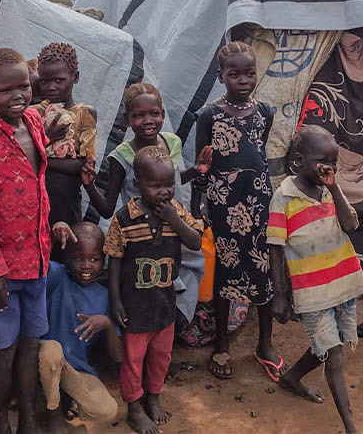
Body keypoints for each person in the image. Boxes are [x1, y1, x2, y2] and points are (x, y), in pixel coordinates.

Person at [0, 48, 75, 434]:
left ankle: (27, 415)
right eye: (5, 90)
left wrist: (54, 134)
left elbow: (36, 174)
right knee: (5, 347)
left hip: (38, 258)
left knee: (31, 342)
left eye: (23, 87)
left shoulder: (33, 120)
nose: (17, 96)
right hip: (4, 270)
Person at [267, 127, 363, 434]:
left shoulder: (329, 191)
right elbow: (275, 249)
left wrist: (335, 188)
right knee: (334, 356)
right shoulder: (282, 198)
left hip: (341, 284)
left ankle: (290, 378)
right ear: (298, 162)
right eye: (321, 160)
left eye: (333, 161)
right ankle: (351, 426)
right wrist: (280, 295)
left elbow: (351, 225)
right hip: (311, 291)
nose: (329, 167)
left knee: (328, 343)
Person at [191, 41, 281, 381]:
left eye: (249, 73)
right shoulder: (209, 115)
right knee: (225, 276)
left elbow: (258, 152)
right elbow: (202, 166)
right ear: (221, 76)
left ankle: (265, 344)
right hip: (224, 206)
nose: (243, 80)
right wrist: (197, 208)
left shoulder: (266, 113)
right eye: (234, 74)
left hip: (258, 204)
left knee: (263, 273)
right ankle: (222, 344)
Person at [104, 146, 203, 434]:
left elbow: (195, 242)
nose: (164, 192)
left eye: (169, 184)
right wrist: (115, 300)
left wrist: (173, 218)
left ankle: (154, 398)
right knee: (133, 360)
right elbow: (114, 261)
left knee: (161, 356)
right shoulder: (124, 219)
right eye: (155, 185)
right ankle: (134, 408)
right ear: (137, 185)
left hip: (164, 303)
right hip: (135, 306)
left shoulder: (178, 212)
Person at [37, 223, 124, 430]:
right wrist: (52, 238)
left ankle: (68, 405)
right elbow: (37, 263)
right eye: (78, 258)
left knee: (107, 410)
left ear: (103, 261)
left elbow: (117, 356)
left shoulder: (104, 297)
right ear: (66, 259)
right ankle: (52, 412)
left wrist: (108, 325)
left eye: (94, 259)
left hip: (76, 369)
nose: (86, 265)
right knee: (51, 351)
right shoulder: (58, 277)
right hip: (44, 361)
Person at [29, 43, 103, 261]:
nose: (51, 87)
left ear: (75, 77)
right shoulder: (32, 113)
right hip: (34, 203)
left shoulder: (85, 114)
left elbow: (83, 165)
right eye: (44, 81)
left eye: (58, 80)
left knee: (64, 257)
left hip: (66, 204)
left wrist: (39, 157)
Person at [97, 84, 200, 220]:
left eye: (154, 113)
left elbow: (171, 180)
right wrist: (89, 186)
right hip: (140, 235)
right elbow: (107, 210)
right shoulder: (122, 157)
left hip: (175, 230)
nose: (148, 121)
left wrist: (194, 171)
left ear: (162, 114)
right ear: (127, 119)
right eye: (139, 115)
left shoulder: (172, 143)